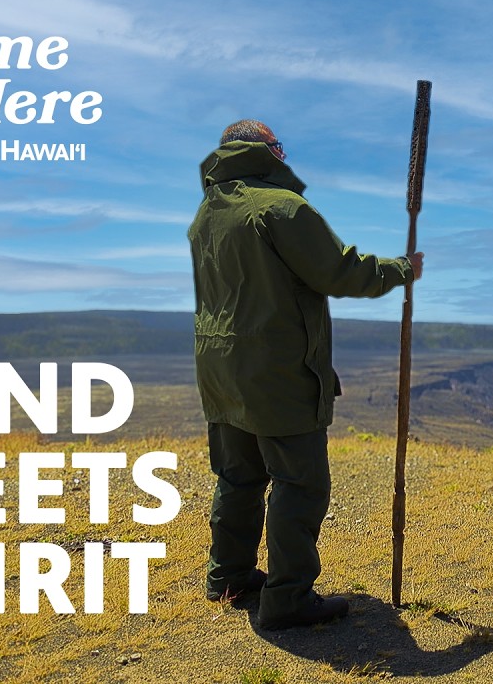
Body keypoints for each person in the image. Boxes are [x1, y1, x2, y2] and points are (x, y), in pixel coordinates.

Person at [188, 119, 423, 631]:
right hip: (275, 371)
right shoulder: (282, 208)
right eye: (278, 146)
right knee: (299, 483)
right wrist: (400, 269)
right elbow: (338, 271)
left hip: (220, 367)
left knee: (238, 475)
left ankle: (228, 575)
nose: (284, 153)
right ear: (264, 151)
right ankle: (288, 599)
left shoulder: (209, 213)